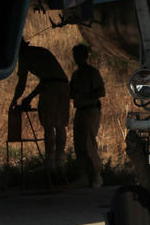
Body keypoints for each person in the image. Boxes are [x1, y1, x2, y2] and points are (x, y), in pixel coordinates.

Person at [10, 40, 71, 174]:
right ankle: (59, 161)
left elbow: (22, 83)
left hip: (51, 88)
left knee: (49, 125)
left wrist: (14, 100)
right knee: (60, 125)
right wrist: (30, 97)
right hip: (64, 86)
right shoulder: (41, 51)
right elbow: (49, 78)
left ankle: (50, 163)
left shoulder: (25, 55)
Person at [69, 44, 106, 188]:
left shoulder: (92, 72)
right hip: (80, 110)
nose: (76, 58)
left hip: (91, 109)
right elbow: (71, 93)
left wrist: (84, 94)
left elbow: (101, 92)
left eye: (78, 54)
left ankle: (97, 175)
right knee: (79, 143)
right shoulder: (76, 74)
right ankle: (83, 175)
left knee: (88, 142)